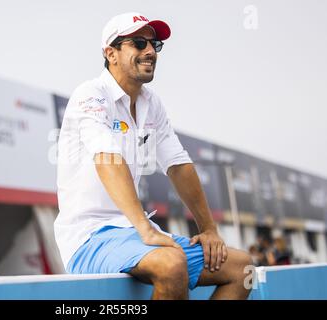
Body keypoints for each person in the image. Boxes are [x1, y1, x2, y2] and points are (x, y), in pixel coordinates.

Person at [54, 12, 253, 299]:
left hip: (132, 234)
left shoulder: (151, 103)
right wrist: (144, 228)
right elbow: (107, 159)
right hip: (88, 237)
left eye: (154, 45)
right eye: (138, 43)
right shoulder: (90, 94)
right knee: (172, 265)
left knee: (242, 269)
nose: (150, 51)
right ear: (111, 53)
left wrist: (208, 229)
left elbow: (178, 165)